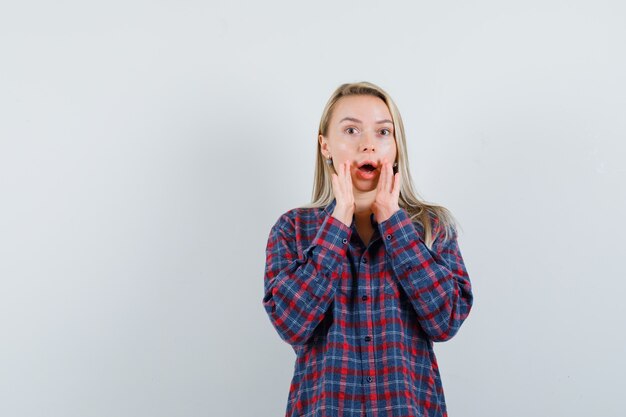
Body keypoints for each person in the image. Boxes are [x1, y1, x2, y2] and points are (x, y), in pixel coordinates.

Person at [262, 81, 473, 417]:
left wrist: (393, 222)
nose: (368, 145)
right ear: (326, 146)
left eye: (382, 132)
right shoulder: (293, 229)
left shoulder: (431, 227)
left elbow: (445, 321)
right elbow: (291, 324)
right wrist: (340, 219)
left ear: (396, 147)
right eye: (351, 130)